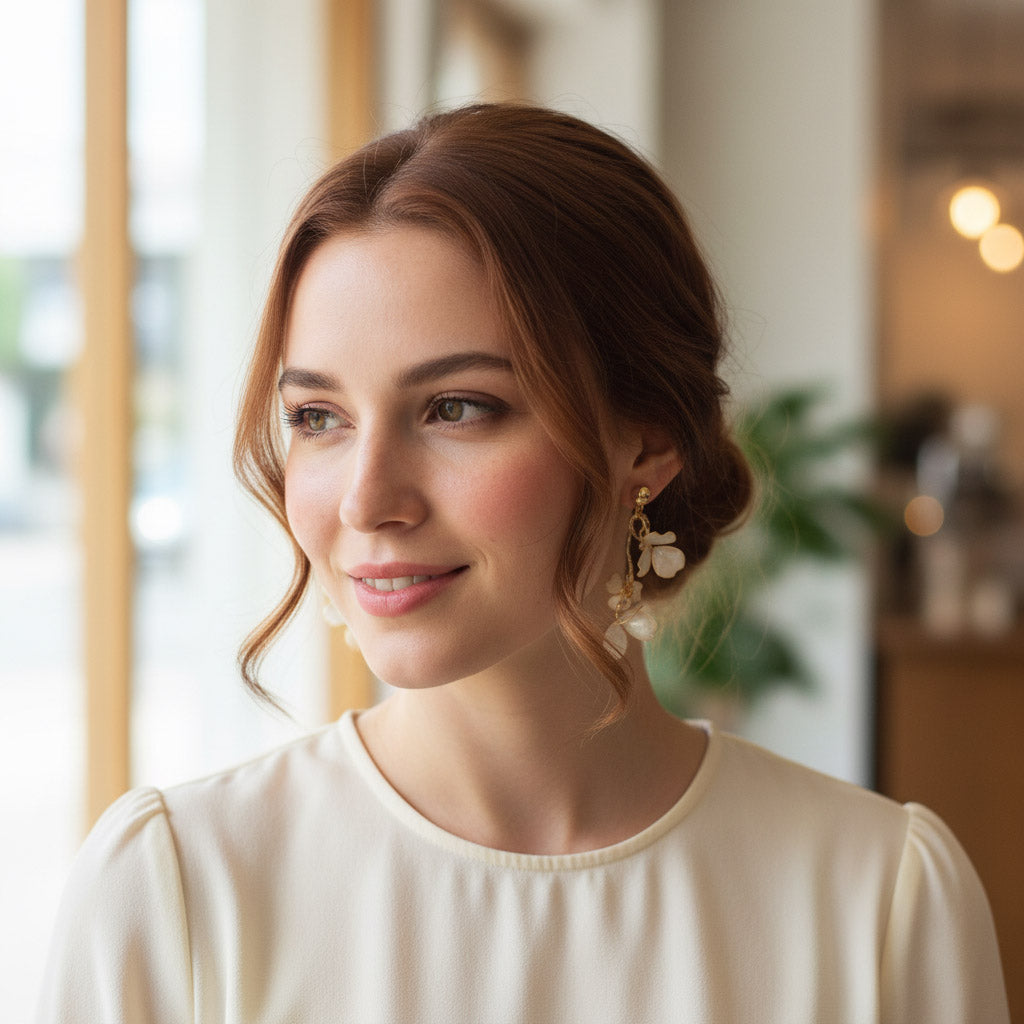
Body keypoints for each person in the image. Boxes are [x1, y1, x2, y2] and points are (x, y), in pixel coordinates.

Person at [37, 103, 1009, 1023]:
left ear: (649, 437)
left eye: (456, 407)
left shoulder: (878, 897)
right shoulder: (178, 890)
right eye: (317, 418)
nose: (368, 499)